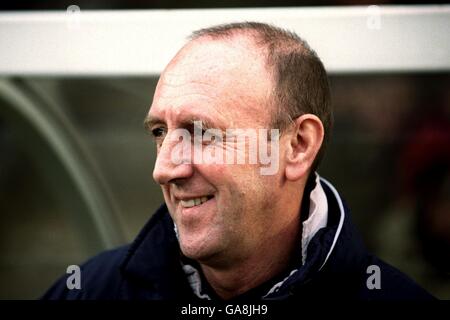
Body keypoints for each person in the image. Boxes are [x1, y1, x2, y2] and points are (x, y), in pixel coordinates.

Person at [42, 22, 433, 300]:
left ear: (297, 146)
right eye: (160, 132)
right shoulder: (89, 290)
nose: (163, 169)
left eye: (201, 132)